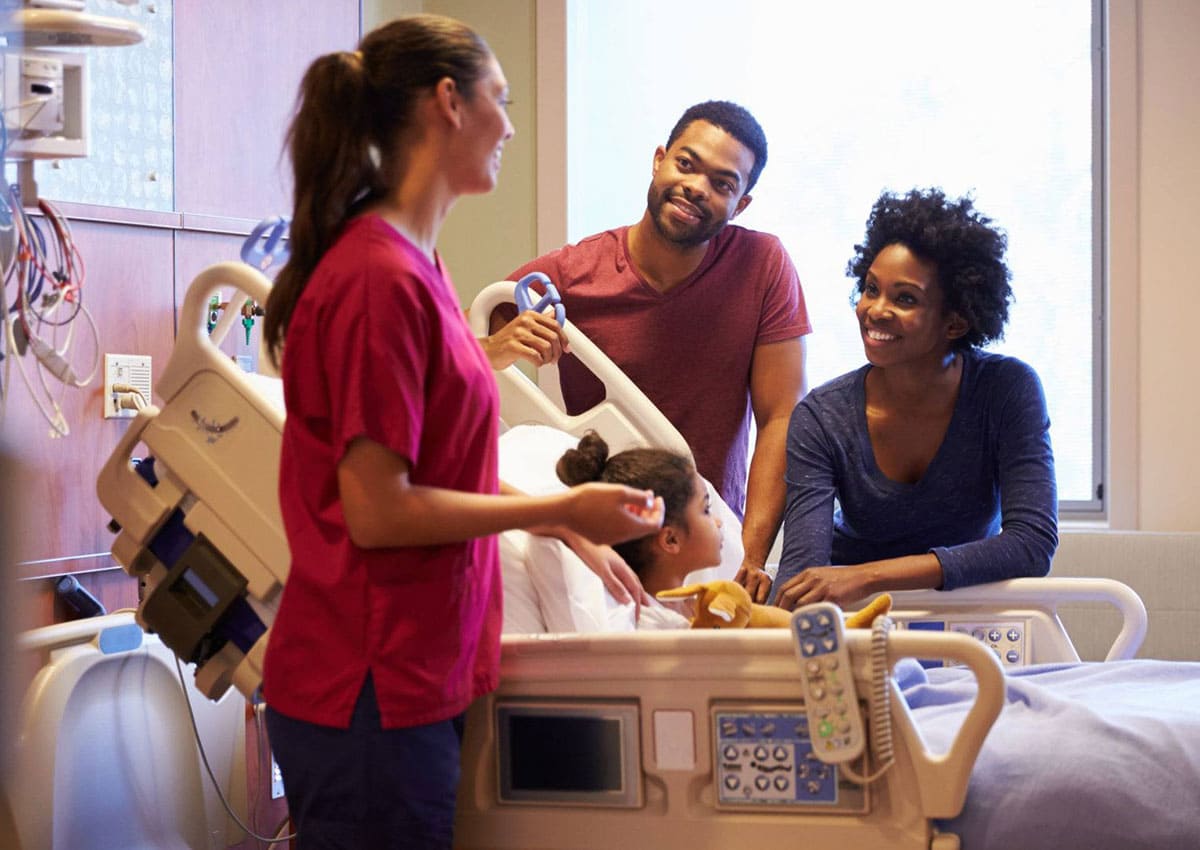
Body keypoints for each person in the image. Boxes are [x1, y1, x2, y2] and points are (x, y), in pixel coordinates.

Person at [258, 17, 664, 850]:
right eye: (500, 101)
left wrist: (559, 518)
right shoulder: (379, 277)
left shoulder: (421, 264)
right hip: (367, 683)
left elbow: (440, 467)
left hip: (414, 673)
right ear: (449, 102)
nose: (510, 126)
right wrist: (553, 511)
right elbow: (377, 512)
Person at [485, 100, 810, 605]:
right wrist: (492, 348)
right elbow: (444, 361)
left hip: (708, 542)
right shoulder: (572, 274)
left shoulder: (762, 266)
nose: (697, 187)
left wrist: (747, 554)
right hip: (604, 541)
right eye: (686, 163)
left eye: (723, 183)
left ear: (741, 203)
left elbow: (781, 416)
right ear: (659, 159)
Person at [770, 188, 1057, 611]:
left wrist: (869, 576)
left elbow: (1031, 543)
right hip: (855, 617)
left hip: (967, 610)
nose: (875, 310)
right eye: (870, 289)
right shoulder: (821, 416)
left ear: (956, 321)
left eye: (905, 298)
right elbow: (802, 571)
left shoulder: (1007, 391)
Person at [556, 431, 723, 601]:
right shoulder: (655, 622)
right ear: (670, 540)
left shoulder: (695, 608)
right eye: (706, 509)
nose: (719, 522)